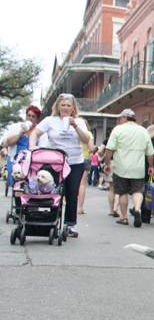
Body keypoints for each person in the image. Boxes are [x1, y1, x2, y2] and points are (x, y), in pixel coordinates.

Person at [29, 94, 91, 237]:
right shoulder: (50, 121)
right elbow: (35, 133)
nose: (65, 108)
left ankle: (70, 225)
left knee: (71, 193)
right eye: (63, 105)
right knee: (52, 190)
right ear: (58, 106)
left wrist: (75, 126)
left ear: (73, 108)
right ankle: (50, 220)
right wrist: (33, 146)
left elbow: (86, 139)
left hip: (75, 162)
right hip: (55, 161)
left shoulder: (79, 121)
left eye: (69, 105)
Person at [103, 109, 154, 228]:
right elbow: (150, 152)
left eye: (120, 118)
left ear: (125, 118)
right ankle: (137, 209)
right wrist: (151, 166)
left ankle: (124, 217)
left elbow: (109, 149)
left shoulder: (118, 129)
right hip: (138, 167)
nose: (119, 120)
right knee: (137, 191)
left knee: (122, 193)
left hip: (121, 167)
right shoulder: (143, 130)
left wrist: (106, 164)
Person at [2, 105, 40, 187]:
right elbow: (6, 142)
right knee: (16, 186)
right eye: (28, 115)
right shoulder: (16, 127)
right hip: (16, 161)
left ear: (37, 119)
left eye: (33, 116)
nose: (30, 118)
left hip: (32, 163)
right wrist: (20, 133)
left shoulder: (40, 130)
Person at [77, 128, 96, 214]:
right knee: (82, 183)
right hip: (85, 158)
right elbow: (91, 148)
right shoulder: (88, 133)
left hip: (74, 158)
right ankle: (80, 207)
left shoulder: (73, 131)